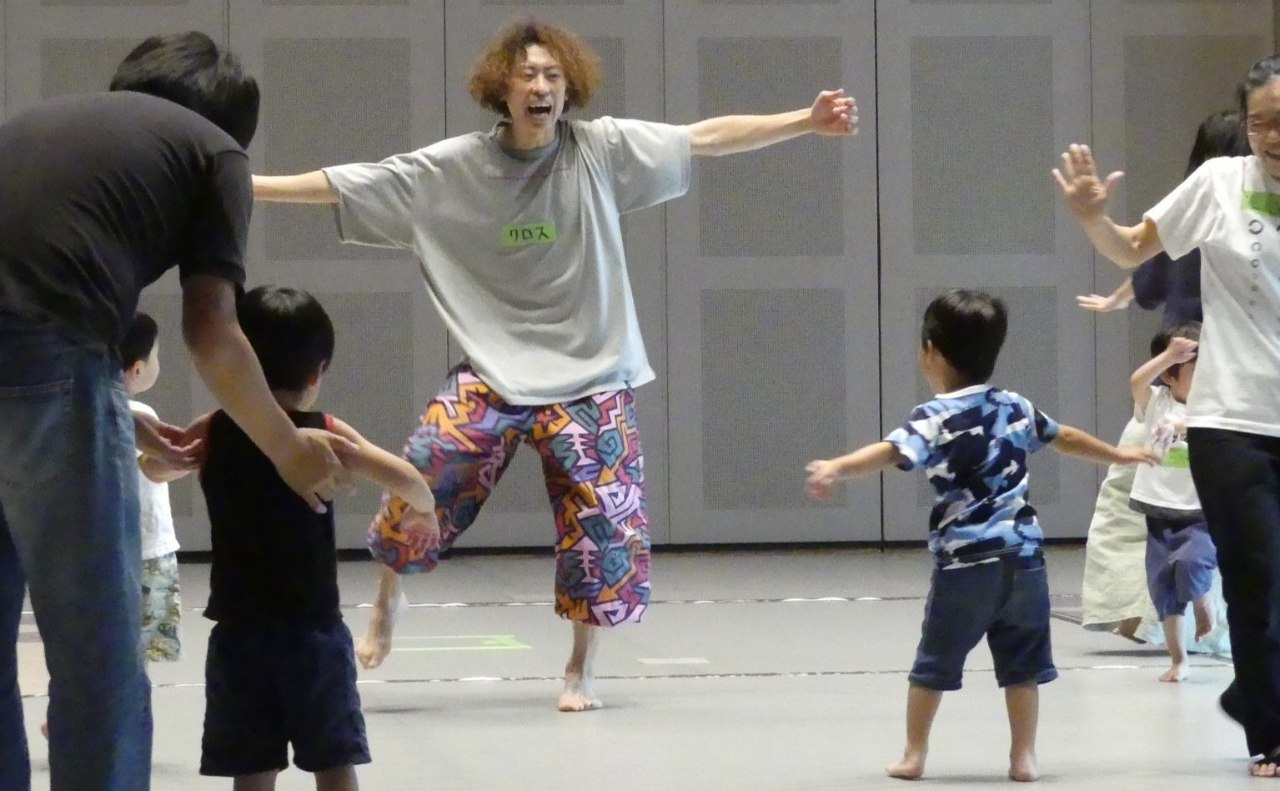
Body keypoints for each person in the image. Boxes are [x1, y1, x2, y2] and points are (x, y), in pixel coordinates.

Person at [252, 18, 858, 712]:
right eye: (527, 76)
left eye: (552, 77)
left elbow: (704, 137)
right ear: (502, 90)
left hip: (593, 375)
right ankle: (388, 599)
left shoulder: (600, 149)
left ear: (569, 88)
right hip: (495, 372)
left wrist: (805, 121)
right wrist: (249, 184)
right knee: (423, 469)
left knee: (601, 525)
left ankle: (580, 669)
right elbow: (343, 184)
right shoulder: (456, 167)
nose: (540, 88)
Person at [0, 31, 354, 790]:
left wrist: (117, 415)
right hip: (51, 360)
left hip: (38, 370)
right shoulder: (214, 151)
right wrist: (287, 448)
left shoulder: (36, 125)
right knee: (96, 651)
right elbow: (212, 332)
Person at [805, 290, 1155, 783]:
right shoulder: (1014, 405)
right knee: (1023, 667)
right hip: (1025, 559)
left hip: (966, 563)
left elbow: (890, 452)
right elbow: (1065, 437)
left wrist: (837, 467)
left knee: (933, 663)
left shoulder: (933, 416)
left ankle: (914, 754)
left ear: (930, 351)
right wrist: (1118, 455)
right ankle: (1023, 758)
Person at [1054, 53, 1280, 777]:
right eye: (1260, 123)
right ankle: (1271, 733)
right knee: (1257, 576)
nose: (1272, 137)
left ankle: (1257, 693)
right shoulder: (1220, 183)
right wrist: (1092, 216)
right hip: (1233, 420)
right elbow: (1131, 248)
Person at [198, 286, 440, 791]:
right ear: (317, 373)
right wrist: (425, 512)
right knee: (334, 763)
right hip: (311, 634)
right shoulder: (323, 433)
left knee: (250, 770)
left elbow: (160, 463)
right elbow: (407, 478)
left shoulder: (216, 429)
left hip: (239, 633)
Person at [1073, 109, 1246, 647]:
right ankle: (1170, 619)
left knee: (1138, 504)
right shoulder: (1215, 208)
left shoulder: (1204, 211)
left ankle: (1143, 614)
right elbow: (1144, 262)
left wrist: (1119, 295)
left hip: (1197, 390)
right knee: (1169, 505)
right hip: (1198, 388)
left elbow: (1145, 268)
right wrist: (1119, 295)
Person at [39, 312, 192, 740]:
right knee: (134, 654)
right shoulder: (137, 411)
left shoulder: (74, 410)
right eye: (157, 355)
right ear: (137, 369)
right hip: (145, 551)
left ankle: (70, 716)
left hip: (92, 549)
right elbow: (153, 468)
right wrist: (190, 458)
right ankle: (125, 729)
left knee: (90, 645)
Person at [1128, 323, 1218, 682]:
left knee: (1192, 562)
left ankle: (1202, 600)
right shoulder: (1157, 402)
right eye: (1196, 371)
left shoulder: (1213, 407)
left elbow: (1199, 425)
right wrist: (1168, 355)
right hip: (1158, 508)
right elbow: (1137, 382)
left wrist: (1182, 426)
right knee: (1162, 582)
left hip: (1201, 510)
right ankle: (1179, 659)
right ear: (1170, 376)